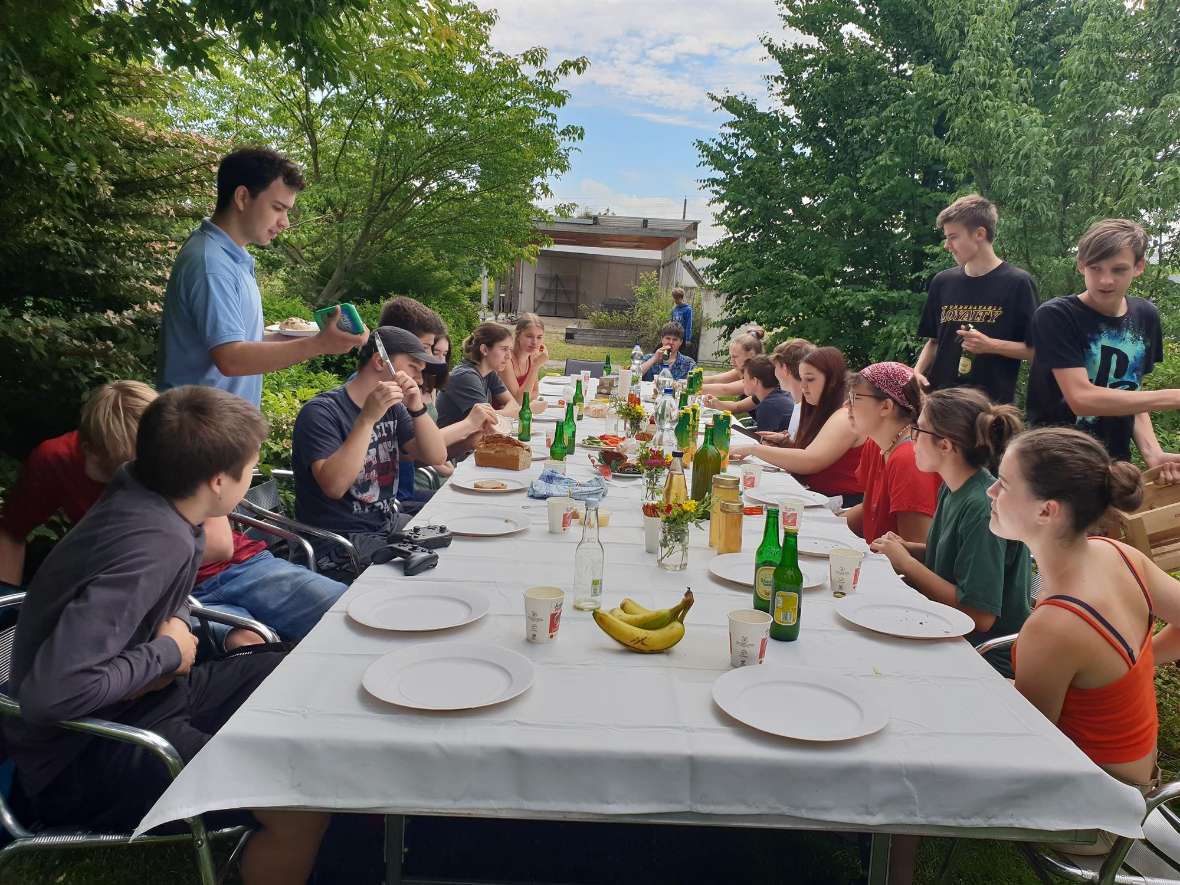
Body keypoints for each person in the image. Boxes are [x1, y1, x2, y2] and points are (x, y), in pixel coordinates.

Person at [4, 385, 329, 884]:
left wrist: (165, 645)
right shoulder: (150, 543)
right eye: (251, 470)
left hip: (149, 697)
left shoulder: (150, 491)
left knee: (307, 666)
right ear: (219, 482)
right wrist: (166, 651)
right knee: (296, 802)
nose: (252, 479)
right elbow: (52, 695)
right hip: (81, 753)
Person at [0, 380, 348, 646]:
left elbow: (220, 545)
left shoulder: (181, 443)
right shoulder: (55, 460)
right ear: (90, 452)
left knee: (345, 612)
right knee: (248, 642)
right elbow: (12, 532)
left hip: (239, 567)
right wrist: (7, 612)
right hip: (157, 596)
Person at [990, 427, 1180, 853]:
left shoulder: (1056, 625)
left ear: (1047, 511)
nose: (990, 491)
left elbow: (1024, 741)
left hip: (1094, 814)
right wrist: (1132, 669)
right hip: (1137, 787)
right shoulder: (1120, 556)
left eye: (1003, 482)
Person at [159, 147, 366, 406]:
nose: (285, 222)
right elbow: (231, 358)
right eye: (278, 208)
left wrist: (309, 335)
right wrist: (318, 345)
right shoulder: (211, 264)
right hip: (198, 435)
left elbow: (241, 342)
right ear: (243, 197)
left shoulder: (231, 256)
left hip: (223, 431)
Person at [870, 388, 1030, 675]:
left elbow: (979, 616)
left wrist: (905, 563)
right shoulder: (954, 486)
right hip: (948, 630)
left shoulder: (983, 507)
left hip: (985, 656)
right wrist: (906, 548)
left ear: (945, 445)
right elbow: (951, 555)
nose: (912, 438)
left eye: (918, 430)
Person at [1027, 218, 1180, 478]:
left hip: (1115, 466)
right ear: (1080, 265)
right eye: (1095, 268)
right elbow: (1081, 399)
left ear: (1138, 267)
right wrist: (1173, 397)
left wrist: (1152, 452)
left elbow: (1131, 391)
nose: (1105, 280)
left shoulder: (1146, 315)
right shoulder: (1057, 315)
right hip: (1054, 465)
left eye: (1118, 269)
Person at [292, 328, 450, 573]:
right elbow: (334, 486)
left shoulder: (393, 408)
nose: (419, 380)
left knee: (453, 539)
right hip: (336, 540)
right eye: (413, 368)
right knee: (432, 569)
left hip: (385, 525)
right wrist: (366, 420)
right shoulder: (321, 412)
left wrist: (417, 408)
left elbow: (436, 456)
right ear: (380, 361)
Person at [914, 194, 1038, 405]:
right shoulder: (942, 281)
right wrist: (916, 372)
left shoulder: (1018, 283)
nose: (947, 245)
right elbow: (934, 341)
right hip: (939, 406)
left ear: (979, 233)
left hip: (990, 410)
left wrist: (991, 345)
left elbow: (1035, 351)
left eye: (953, 237)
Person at [728, 347, 866, 505]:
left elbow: (810, 461)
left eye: (810, 379)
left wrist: (753, 449)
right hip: (815, 495)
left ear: (832, 380)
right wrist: (788, 445)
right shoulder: (822, 409)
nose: (803, 386)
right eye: (801, 379)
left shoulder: (844, 416)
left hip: (839, 503)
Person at [841, 363, 942, 545]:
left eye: (854, 397)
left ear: (886, 406)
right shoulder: (876, 444)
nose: (846, 404)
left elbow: (915, 548)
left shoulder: (909, 458)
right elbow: (869, 510)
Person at [436, 324, 523, 457]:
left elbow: (515, 407)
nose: (509, 356)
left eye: (510, 350)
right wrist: (498, 416)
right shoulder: (465, 376)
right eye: (504, 349)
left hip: (472, 449)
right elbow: (489, 423)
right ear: (484, 349)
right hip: (453, 456)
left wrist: (494, 414)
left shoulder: (488, 372)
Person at [764, 338, 815, 442]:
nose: (774, 372)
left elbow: (802, 455)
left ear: (785, 369)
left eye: (776, 367)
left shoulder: (806, 408)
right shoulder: (801, 404)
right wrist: (784, 441)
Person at [499, 313, 550, 411]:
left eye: (539, 337)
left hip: (518, 414)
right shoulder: (507, 359)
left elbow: (535, 393)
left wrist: (524, 399)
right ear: (518, 336)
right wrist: (535, 367)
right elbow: (519, 401)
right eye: (529, 336)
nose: (535, 342)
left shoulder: (532, 358)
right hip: (501, 418)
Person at [700, 328, 766, 393]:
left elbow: (725, 389)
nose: (731, 361)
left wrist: (692, 386)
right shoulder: (744, 370)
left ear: (751, 355)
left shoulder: (758, 376)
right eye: (731, 356)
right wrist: (692, 379)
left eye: (735, 357)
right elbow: (713, 380)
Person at [741, 355, 794, 433]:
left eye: (744, 378)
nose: (743, 382)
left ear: (754, 381)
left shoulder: (768, 405)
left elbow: (764, 442)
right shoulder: (781, 396)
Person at [670, 287, 694, 356]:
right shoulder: (674, 309)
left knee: (680, 355)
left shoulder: (688, 309)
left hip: (682, 337)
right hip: (674, 335)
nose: (675, 300)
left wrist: (687, 339)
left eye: (676, 298)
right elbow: (671, 322)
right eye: (674, 298)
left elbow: (689, 325)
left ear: (681, 298)